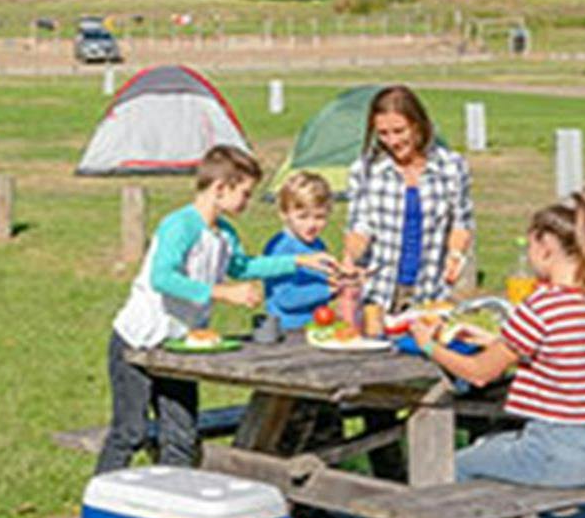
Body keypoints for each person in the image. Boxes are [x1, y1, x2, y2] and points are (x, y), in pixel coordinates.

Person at [409, 195, 585, 518]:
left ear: (545, 245)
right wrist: (498, 341)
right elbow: (565, 349)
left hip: (556, 451)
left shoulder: (541, 305)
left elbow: (478, 374)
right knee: (496, 450)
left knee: (450, 467)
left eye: (531, 248)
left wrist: (431, 345)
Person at [97, 145, 337, 473]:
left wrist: (299, 260)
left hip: (180, 347)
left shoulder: (224, 234)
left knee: (181, 436)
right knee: (130, 431)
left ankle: (171, 512)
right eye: (245, 194)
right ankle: (98, 513)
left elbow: (241, 267)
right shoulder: (180, 226)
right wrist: (221, 292)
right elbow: (163, 277)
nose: (247, 202)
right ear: (221, 189)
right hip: (136, 341)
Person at [338, 85, 476, 322]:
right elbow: (359, 226)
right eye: (382, 133)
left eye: (399, 131)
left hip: (430, 296)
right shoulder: (365, 170)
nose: (392, 141)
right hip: (378, 297)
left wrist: (455, 255)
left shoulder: (452, 167)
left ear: (417, 125)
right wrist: (351, 258)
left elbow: (461, 223)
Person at [259, 171, 337, 332]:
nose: (311, 225)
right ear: (284, 214)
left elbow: (321, 283)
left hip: (317, 326)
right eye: (303, 217)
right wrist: (328, 291)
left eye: (319, 217)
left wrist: (338, 282)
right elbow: (286, 298)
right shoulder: (280, 248)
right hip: (287, 329)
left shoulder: (318, 245)